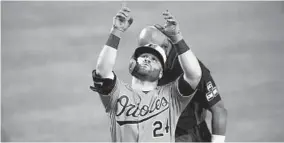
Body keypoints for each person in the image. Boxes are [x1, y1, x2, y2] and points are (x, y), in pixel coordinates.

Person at [90, 6, 202, 142]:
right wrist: (116, 32)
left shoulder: (172, 96)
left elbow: (194, 75)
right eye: (144, 56)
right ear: (133, 63)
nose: (148, 59)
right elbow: (102, 72)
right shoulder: (117, 94)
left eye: (154, 59)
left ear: (161, 73)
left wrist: (177, 39)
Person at [137, 24, 228, 142]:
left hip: (189, 135)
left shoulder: (188, 67)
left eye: (152, 52)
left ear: (165, 46)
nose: (147, 59)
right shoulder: (146, 66)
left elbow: (219, 109)